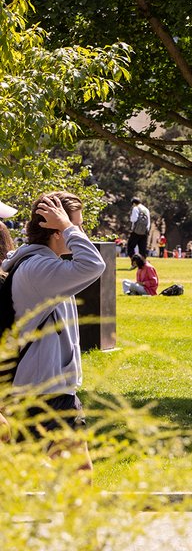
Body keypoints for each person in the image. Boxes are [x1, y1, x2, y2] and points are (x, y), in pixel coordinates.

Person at [3, 192, 107, 471]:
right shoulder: (39, 269)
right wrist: (67, 226)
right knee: (77, 475)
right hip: (45, 392)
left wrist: (66, 226)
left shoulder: (42, 265)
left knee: (66, 474)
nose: (81, 232)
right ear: (56, 230)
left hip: (48, 387)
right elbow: (95, 265)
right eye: (77, 226)